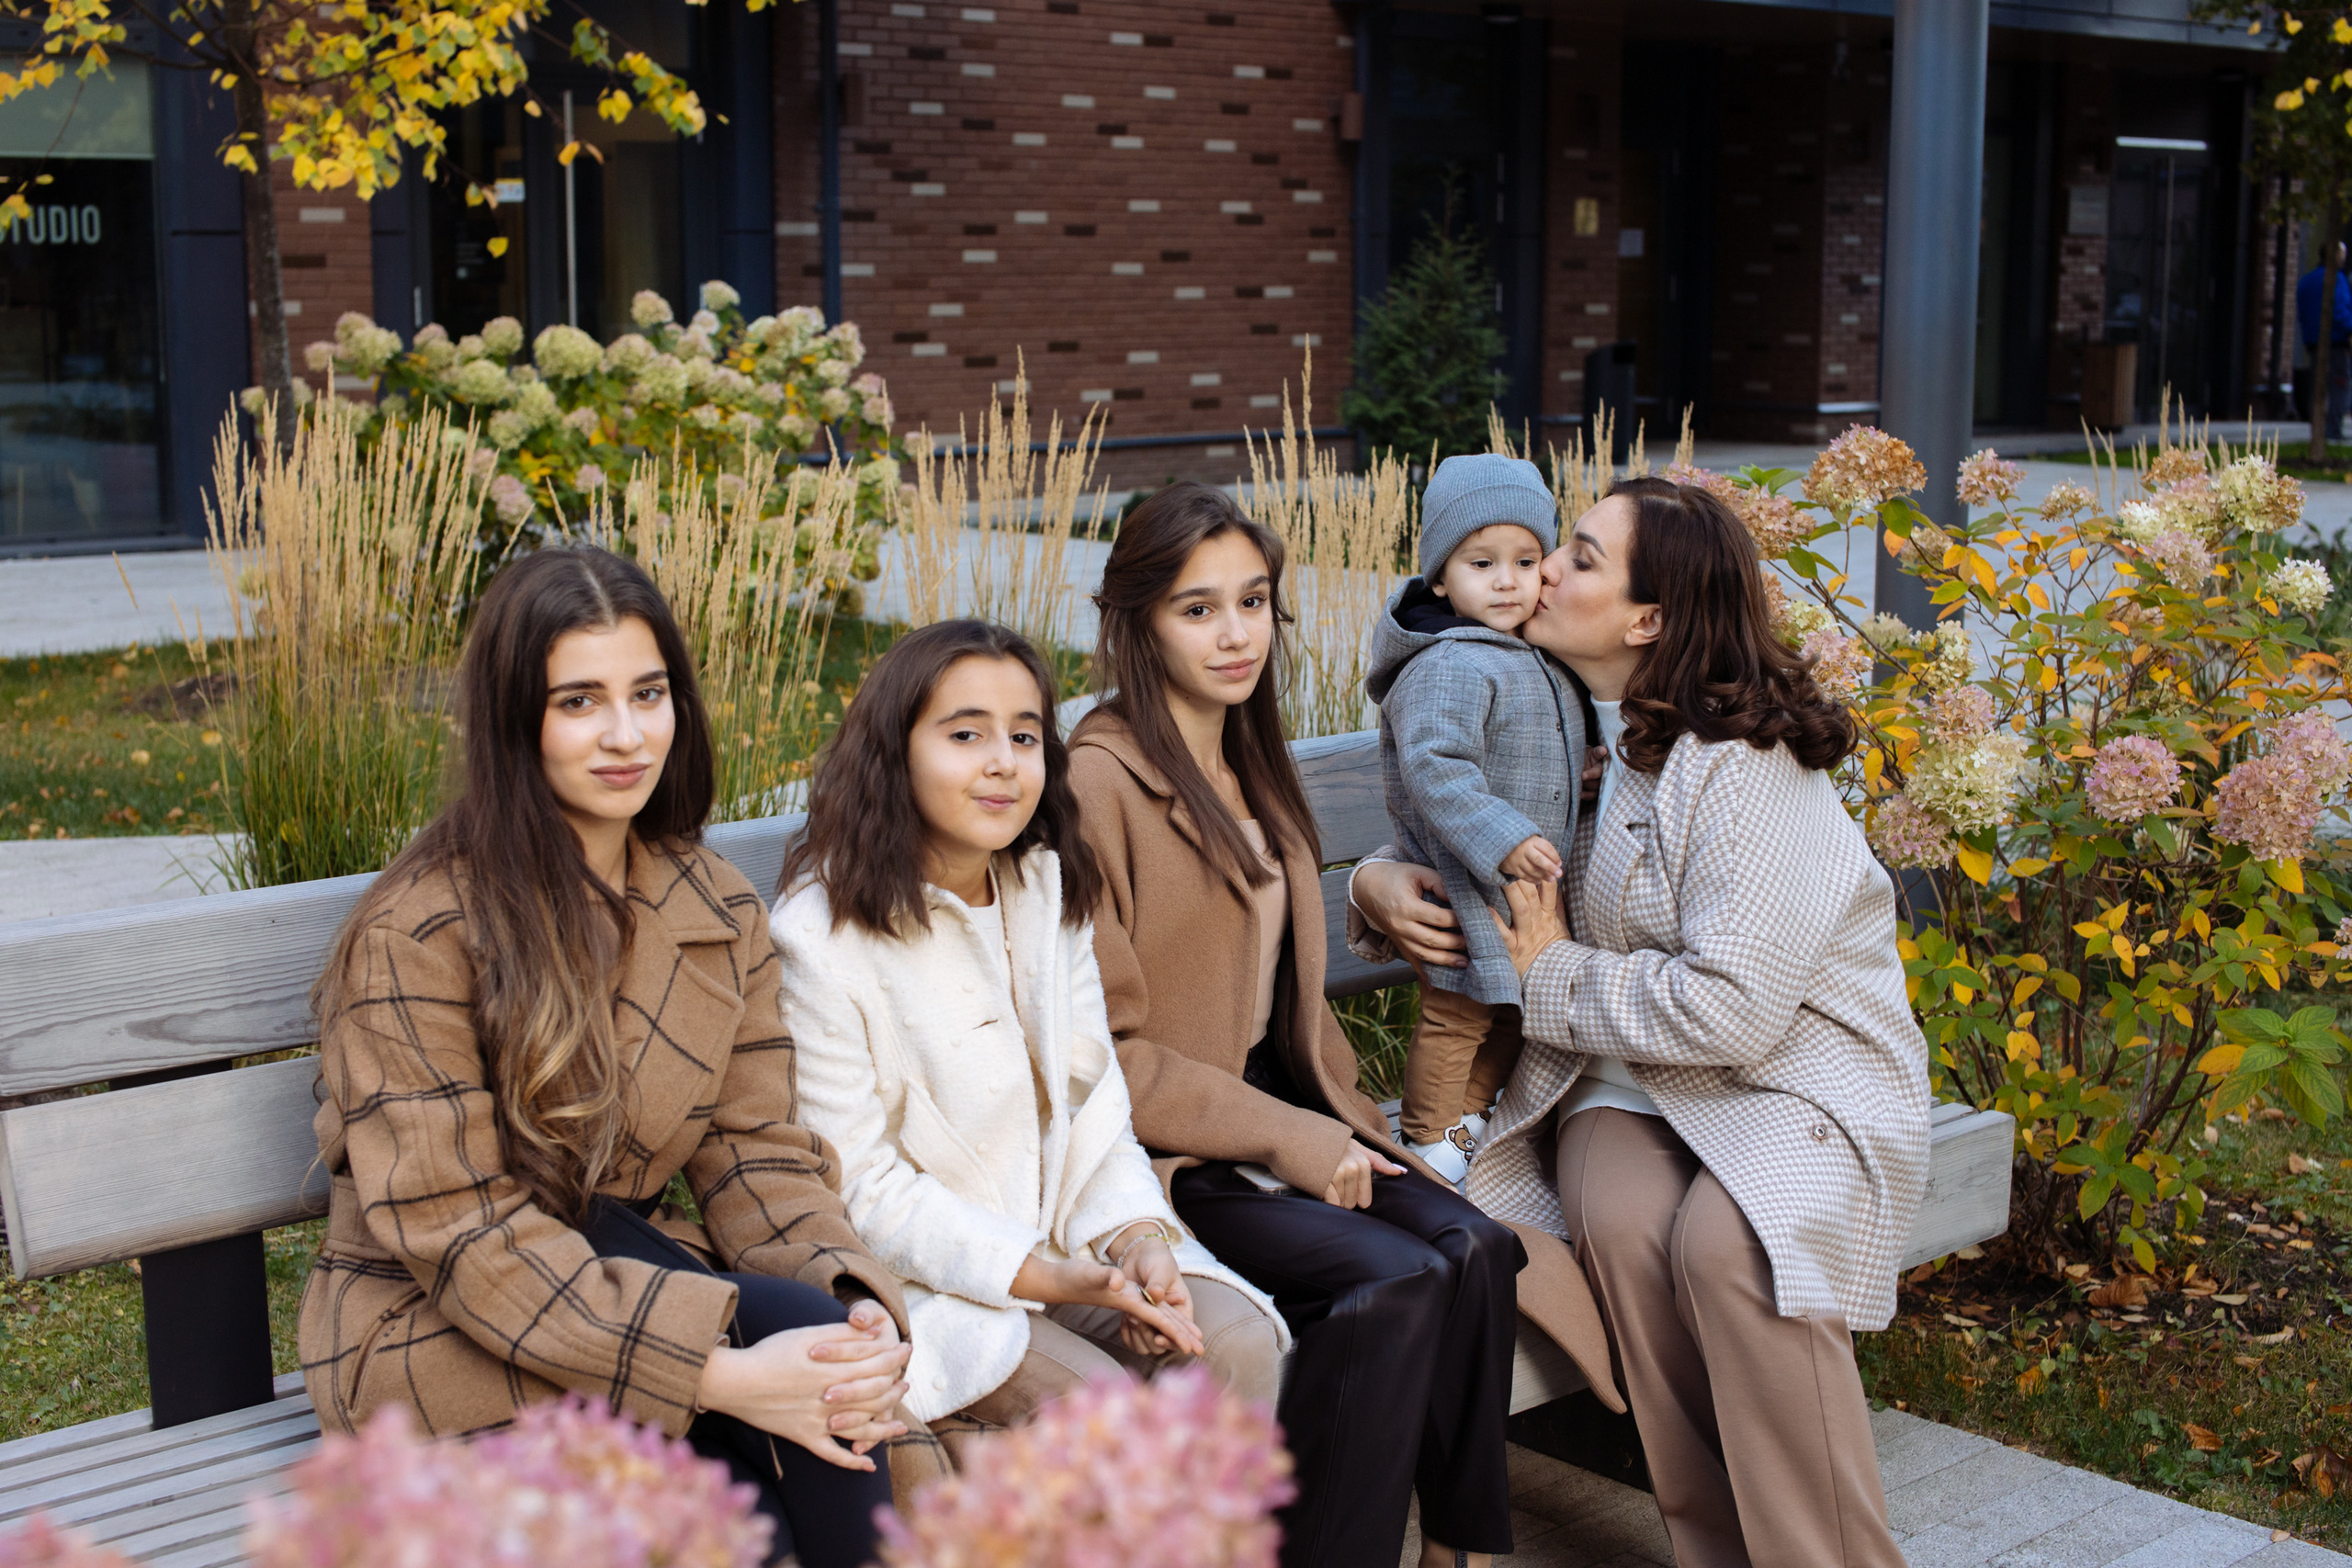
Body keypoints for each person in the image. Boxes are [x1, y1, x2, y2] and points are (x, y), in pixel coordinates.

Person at [300, 547, 935, 1568]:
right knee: (736, 1521)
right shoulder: (417, 934)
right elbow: (458, 1232)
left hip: (624, 1274)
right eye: (580, 702)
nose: (627, 735)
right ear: (517, 722)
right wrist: (719, 1377)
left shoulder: (713, 904)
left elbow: (756, 1155)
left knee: (825, 1365)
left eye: (648, 693)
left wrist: (850, 1306)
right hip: (435, 1320)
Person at [1350, 476, 1931, 1568]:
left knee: (1731, 1249)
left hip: (1789, 1074)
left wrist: (1555, 974)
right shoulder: (1581, 724)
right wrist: (1376, 885)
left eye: (1575, 556)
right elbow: (1479, 827)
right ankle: (1713, 1548)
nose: (1542, 571)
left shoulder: (1738, 765)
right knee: (1618, 1224)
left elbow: (1735, 1010)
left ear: (1648, 620)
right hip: (1617, 1082)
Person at [1067, 481, 1617, 1568]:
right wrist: (1296, 1140)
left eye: (1255, 601)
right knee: (1394, 1281)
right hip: (1178, 1155)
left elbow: (1273, 982)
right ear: (1136, 621)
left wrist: (1338, 1116)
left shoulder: (1243, 757)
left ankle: (1458, 1551)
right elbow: (1110, 1056)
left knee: (1472, 1245)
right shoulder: (1099, 782)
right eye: (1197, 608)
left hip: (1293, 1114)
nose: (1237, 635)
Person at [769, 617, 1284, 1461]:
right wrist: (1036, 1274)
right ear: (895, 752)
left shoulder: (1043, 888)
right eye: (965, 733)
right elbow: (859, 1185)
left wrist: (1139, 1240)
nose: (1003, 760)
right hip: (932, 1286)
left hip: (1069, 1245)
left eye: (1024, 734)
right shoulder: (822, 939)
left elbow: (1094, 1108)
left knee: (1233, 1342)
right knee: (1105, 1407)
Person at [1365, 452, 1590, 1182]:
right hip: (1464, 880)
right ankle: (1430, 1136)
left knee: (1509, 1012)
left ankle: (1468, 1124)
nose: (1506, 580)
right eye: (1481, 562)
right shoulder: (1451, 663)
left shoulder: (1530, 653)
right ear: (1439, 576)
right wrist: (1505, 838)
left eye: (1526, 560)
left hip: (1518, 887)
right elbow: (1438, 766)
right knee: (1458, 1011)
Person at [2298, 241, 2352, 440]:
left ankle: (2318, 429)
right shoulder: (2336, 279)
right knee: (2339, 386)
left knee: (2318, 385)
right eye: (2342, 253)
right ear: (2336, 256)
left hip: (2313, 342)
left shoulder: (2306, 281)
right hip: (2336, 342)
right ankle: (2333, 430)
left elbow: (2302, 312)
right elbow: (2340, 312)